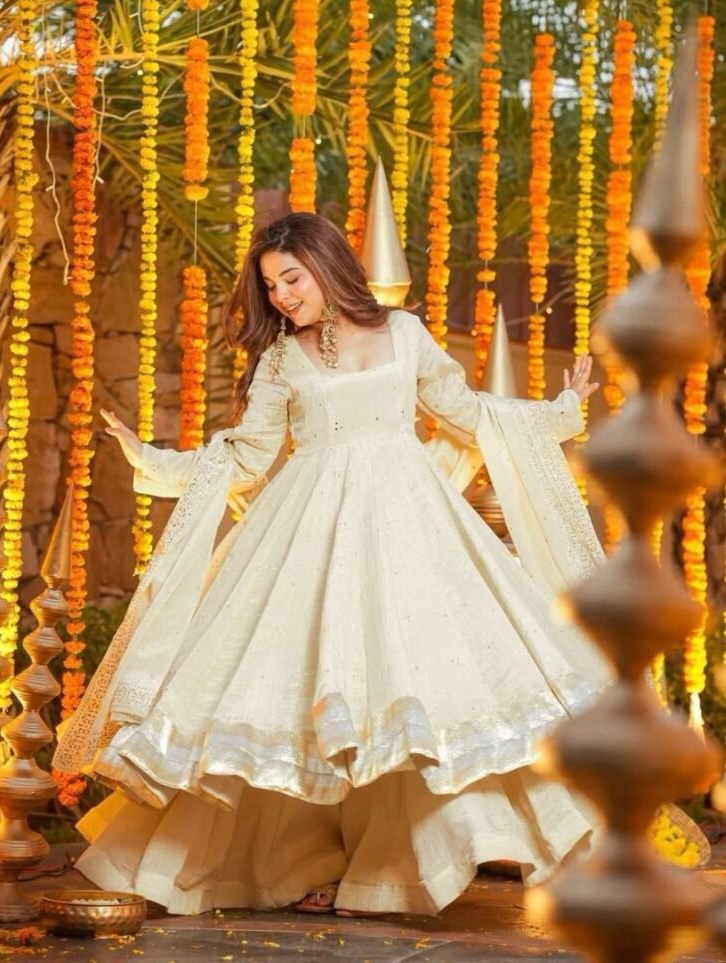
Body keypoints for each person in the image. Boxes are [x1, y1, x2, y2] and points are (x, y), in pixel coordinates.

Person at [53, 211, 609, 918]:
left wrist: (558, 413)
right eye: (271, 286)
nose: (283, 296)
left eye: (292, 278)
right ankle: (300, 859)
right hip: (305, 534)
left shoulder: (404, 333)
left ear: (327, 263)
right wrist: (156, 461)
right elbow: (250, 455)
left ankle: (402, 865)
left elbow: (466, 413)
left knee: (420, 687)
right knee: (297, 697)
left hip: (410, 529)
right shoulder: (282, 359)